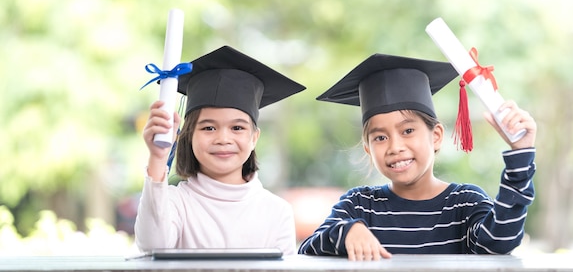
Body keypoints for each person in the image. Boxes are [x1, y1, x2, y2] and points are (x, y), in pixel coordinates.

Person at [298, 53, 536, 261]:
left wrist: (520, 154)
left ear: (436, 136)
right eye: (380, 138)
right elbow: (308, 250)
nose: (395, 146)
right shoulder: (359, 205)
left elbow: (498, 243)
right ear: (368, 148)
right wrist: (347, 232)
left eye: (408, 131)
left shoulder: (464, 203)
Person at [135, 46, 305, 255]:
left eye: (237, 128)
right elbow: (151, 246)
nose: (223, 139)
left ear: (254, 138)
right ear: (188, 135)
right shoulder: (175, 202)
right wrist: (158, 157)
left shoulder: (276, 211)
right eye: (208, 128)